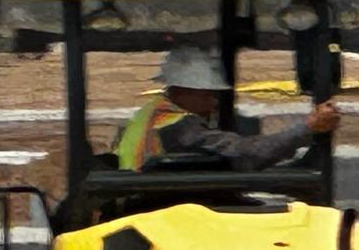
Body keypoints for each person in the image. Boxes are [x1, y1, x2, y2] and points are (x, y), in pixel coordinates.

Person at [115, 45, 340, 170]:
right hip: (152, 210)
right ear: (182, 91)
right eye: (207, 95)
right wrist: (307, 128)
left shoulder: (148, 113)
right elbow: (246, 153)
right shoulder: (178, 126)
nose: (213, 102)